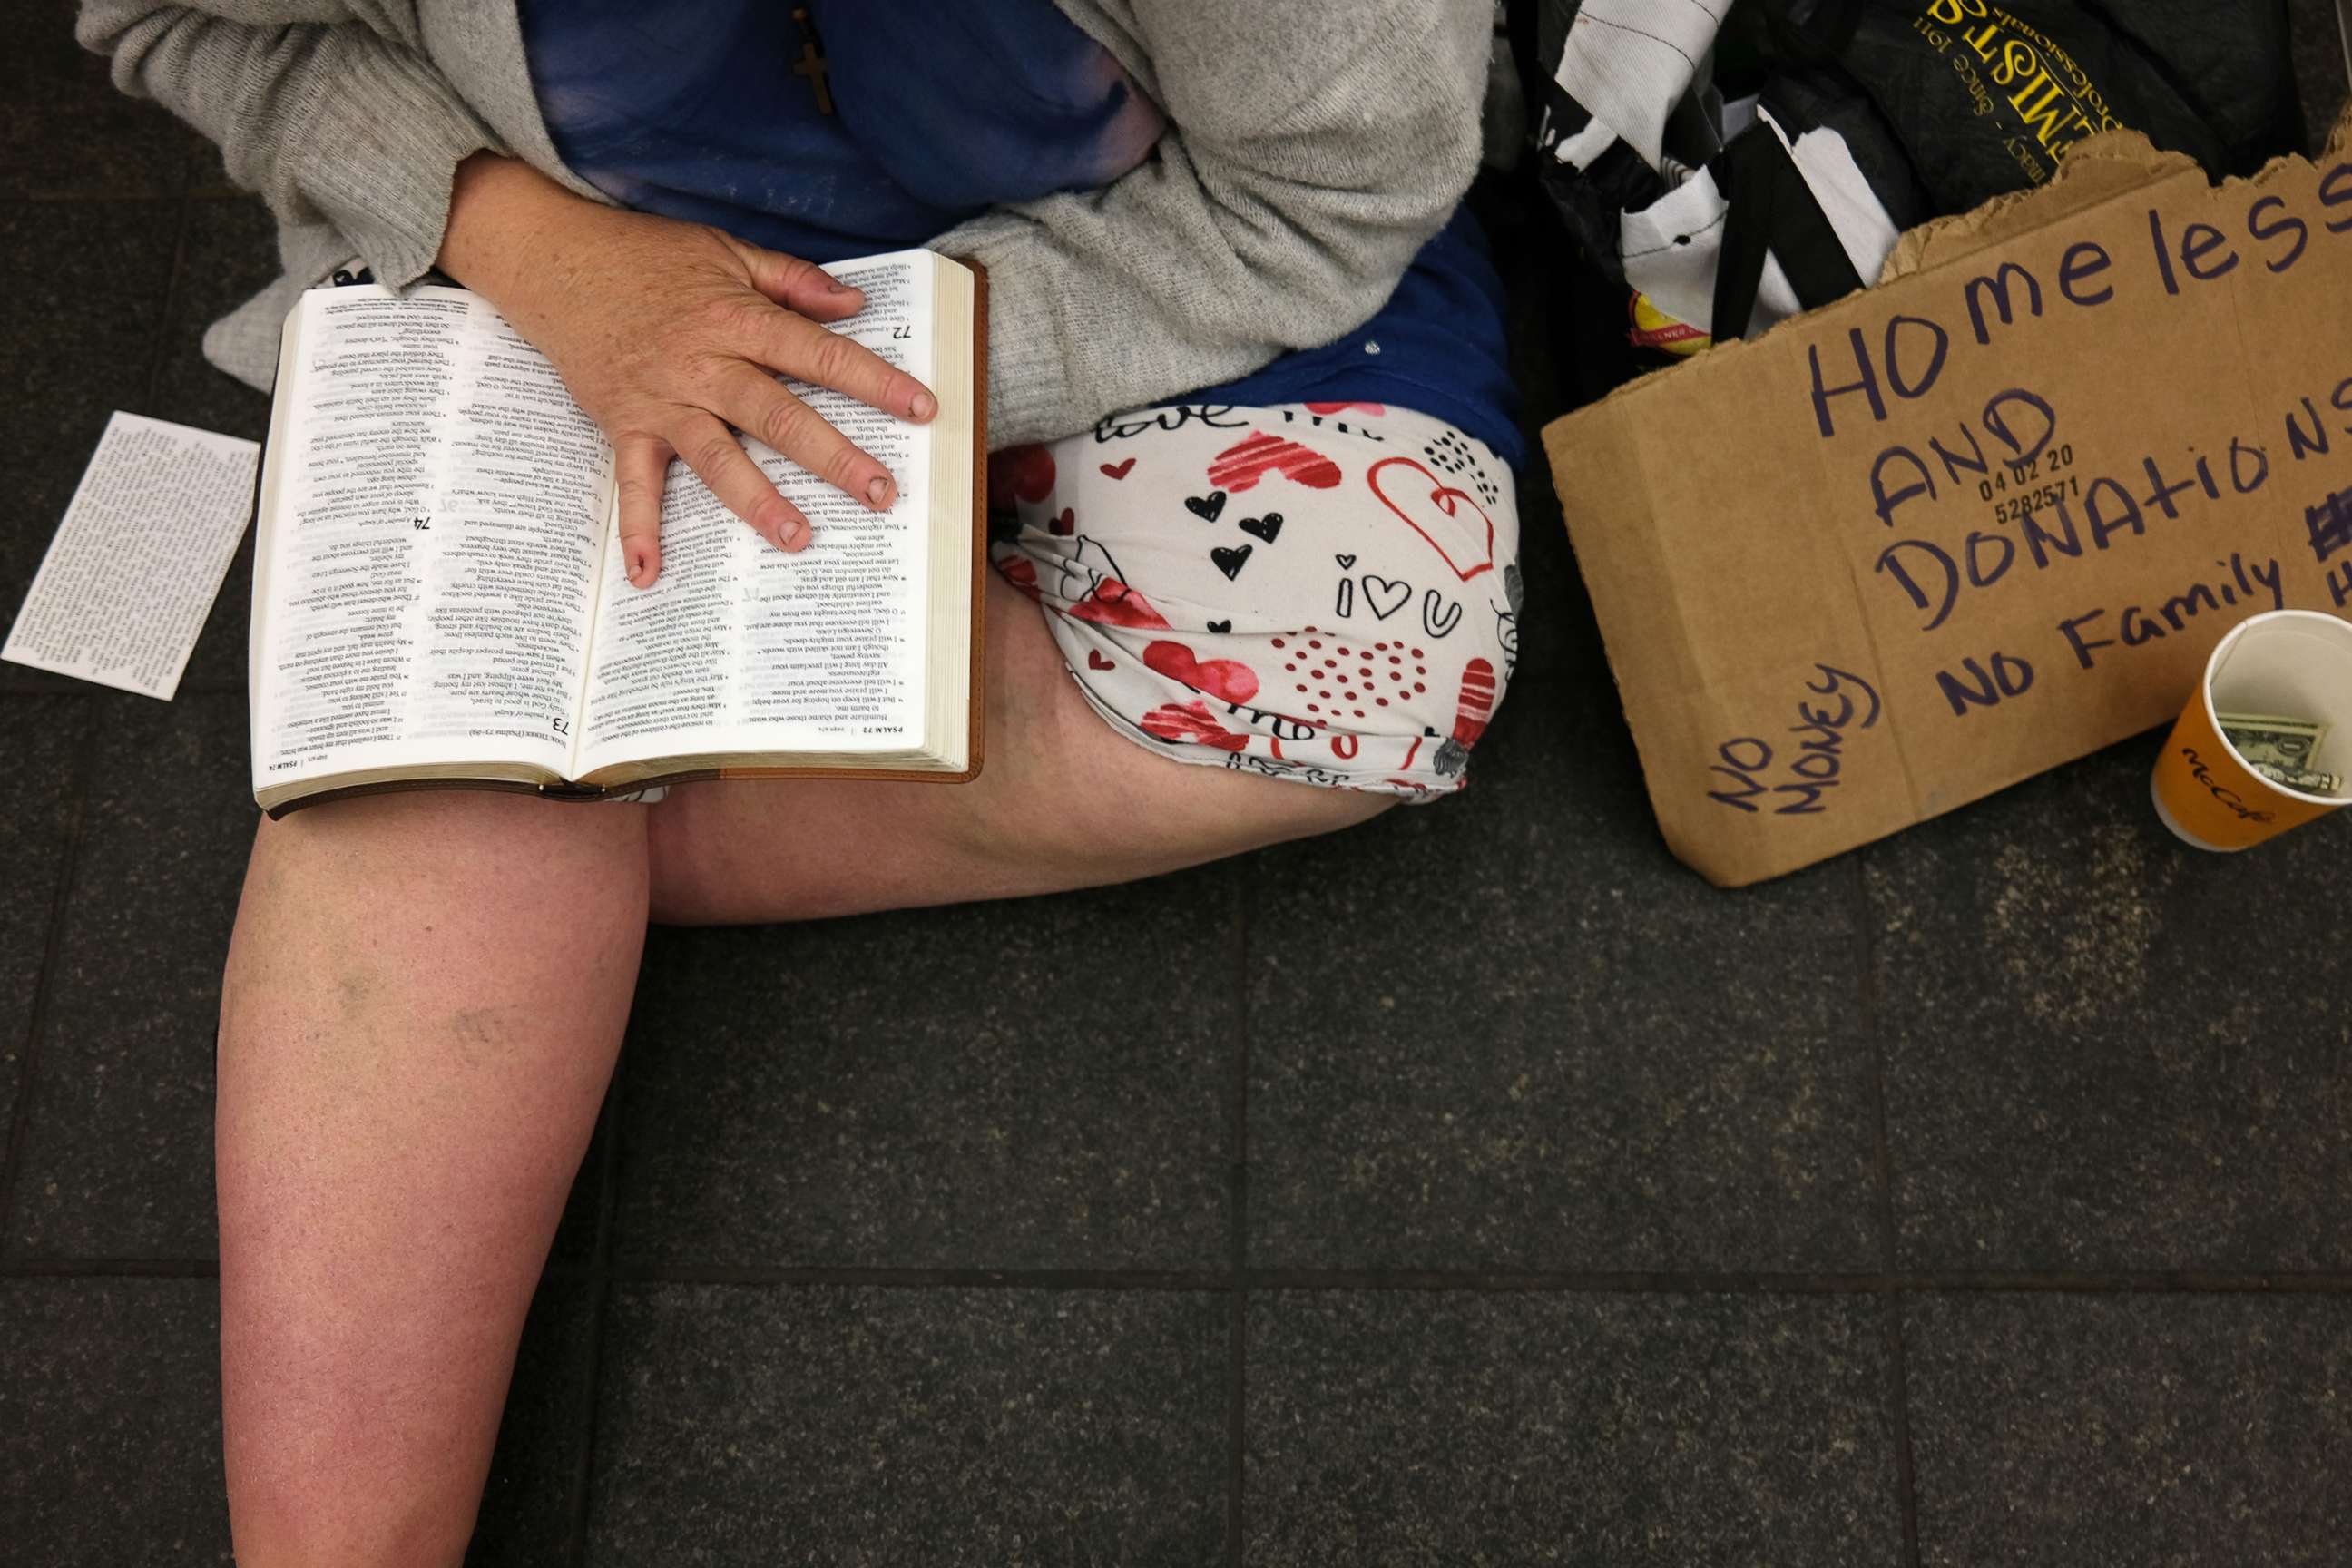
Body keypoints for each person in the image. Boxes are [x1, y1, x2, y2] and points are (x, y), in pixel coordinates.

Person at [80, 1, 1523, 1560]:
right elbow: (164, 21)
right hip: (574, 273)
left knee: (1364, 676)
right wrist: (516, 239)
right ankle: (508, 755)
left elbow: (1332, 194)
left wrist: (852, 371)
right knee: (453, 757)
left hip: (1136, 259)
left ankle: (506, 764)